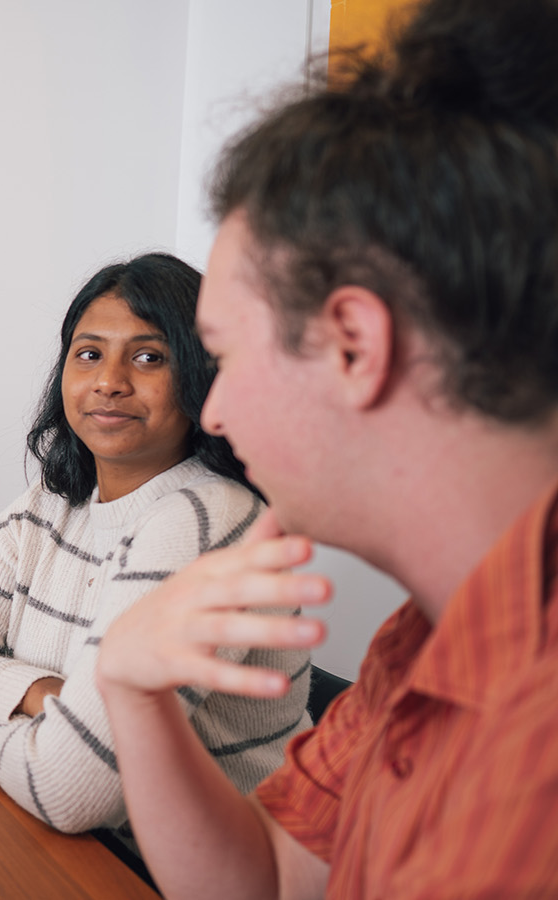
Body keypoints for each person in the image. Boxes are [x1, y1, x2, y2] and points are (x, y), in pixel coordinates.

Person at [91, 0, 558, 896]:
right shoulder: (420, 638)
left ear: (353, 345)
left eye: (222, 357)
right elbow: (270, 879)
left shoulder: (534, 754)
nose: (214, 412)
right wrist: (133, 693)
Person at [0, 254, 309, 837]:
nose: (110, 381)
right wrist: (39, 695)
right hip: (80, 849)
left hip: (202, 871)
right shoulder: (50, 505)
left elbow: (69, 792)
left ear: (199, 375)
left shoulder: (206, 519)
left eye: (148, 357)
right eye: (89, 354)